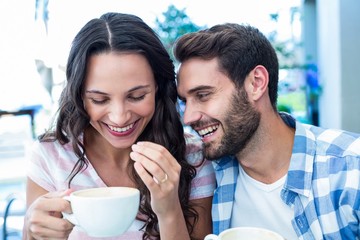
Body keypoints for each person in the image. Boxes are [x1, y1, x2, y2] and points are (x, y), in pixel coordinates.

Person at [24, 12, 215, 240]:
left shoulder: (190, 156)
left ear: (158, 88)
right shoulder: (50, 156)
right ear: (79, 96)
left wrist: (169, 209)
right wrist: (30, 231)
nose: (119, 117)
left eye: (136, 96)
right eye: (99, 100)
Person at [174, 23, 360, 240]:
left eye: (203, 95)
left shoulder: (350, 169)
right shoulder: (205, 172)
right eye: (185, 101)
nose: (188, 117)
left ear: (256, 83)